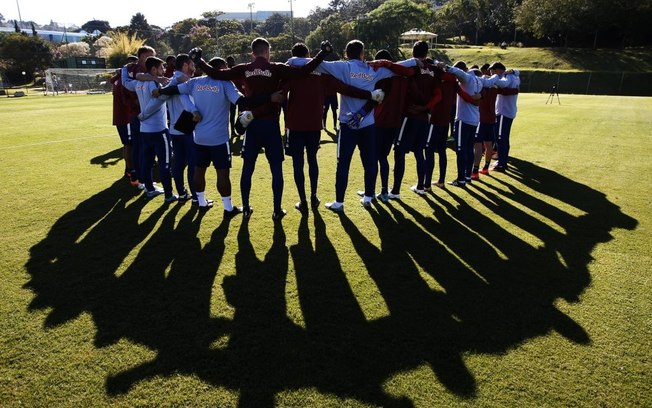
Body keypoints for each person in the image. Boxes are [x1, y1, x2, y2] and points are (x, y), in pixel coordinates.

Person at [189, 37, 332, 220]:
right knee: (276, 169)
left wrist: (198, 60)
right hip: (271, 125)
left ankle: (247, 207)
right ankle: (277, 210)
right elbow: (304, 72)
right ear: (267, 51)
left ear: (253, 53)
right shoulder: (275, 67)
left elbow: (217, 74)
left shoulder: (244, 68)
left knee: (248, 167)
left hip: (252, 126)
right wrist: (322, 53)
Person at [156, 57, 284, 214]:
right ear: (220, 70)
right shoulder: (225, 83)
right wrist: (269, 98)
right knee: (222, 173)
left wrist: (160, 91)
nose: (227, 72)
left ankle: (201, 203)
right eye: (225, 69)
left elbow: (175, 90)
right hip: (218, 138)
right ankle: (228, 208)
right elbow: (242, 102)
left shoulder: (195, 82)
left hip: (199, 137)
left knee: (199, 170)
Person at [316, 39, 417, 211]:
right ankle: (368, 197)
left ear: (347, 54)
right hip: (368, 124)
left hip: (348, 124)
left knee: (343, 163)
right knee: (370, 161)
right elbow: (409, 65)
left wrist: (320, 53)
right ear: (363, 53)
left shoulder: (343, 67)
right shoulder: (374, 69)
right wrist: (387, 62)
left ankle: (339, 202)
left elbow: (312, 64)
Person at [283, 42, 378, 213]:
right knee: (313, 159)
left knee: (298, 162)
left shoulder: (291, 70)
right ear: (309, 54)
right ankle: (313, 195)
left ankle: (303, 201)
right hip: (314, 124)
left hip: (295, 123)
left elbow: (281, 94)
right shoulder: (321, 73)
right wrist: (369, 95)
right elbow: (345, 89)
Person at [436, 60, 508, 187]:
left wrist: (443, 66)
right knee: (469, 149)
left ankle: (461, 179)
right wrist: (498, 74)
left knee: (460, 150)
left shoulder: (467, 77)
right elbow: (491, 81)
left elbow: (457, 72)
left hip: (463, 119)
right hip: (475, 120)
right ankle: (468, 176)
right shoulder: (480, 81)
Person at [131, 56, 175, 201]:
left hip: (145, 130)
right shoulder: (153, 83)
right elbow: (156, 103)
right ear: (154, 69)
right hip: (158, 129)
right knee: (165, 163)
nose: (163, 70)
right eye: (161, 67)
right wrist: (143, 114)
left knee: (147, 161)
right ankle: (169, 195)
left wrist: (125, 71)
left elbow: (127, 82)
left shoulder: (139, 82)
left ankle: (149, 188)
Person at [368, 49, 408, 203]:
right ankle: (383, 190)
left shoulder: (382, 78)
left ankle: (372, 191)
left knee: (375, 157)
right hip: (395, 122)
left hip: (379, 121)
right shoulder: (402, 78)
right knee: (382, 157)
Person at [165, 53, 196, 202]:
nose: (194, 67)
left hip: (174, 128)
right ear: (185, 65)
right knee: (192, 163)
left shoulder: (173, 80)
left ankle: (182, 193)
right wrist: (195, 111)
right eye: (192, 64)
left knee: (178, 162)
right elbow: (186, 102)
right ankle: (196, 196)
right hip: (186, 128)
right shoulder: (179, 82)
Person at [489, 61, 520, 172]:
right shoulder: (514, 75)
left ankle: (502, 164)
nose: (492, 74)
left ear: (498, 70)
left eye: (493, 72)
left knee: (501, 138)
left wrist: (493, 80)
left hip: (503, 112)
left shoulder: (508, 76)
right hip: (507, 111)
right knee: (503, 138)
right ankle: (502, 160)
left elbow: (503, 85)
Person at [110, 63, 138, 186]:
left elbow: (112, 81)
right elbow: (129, 100)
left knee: (127, 144)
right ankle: (132, 171)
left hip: (120, 117)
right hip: (126, 118)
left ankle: (128, 169)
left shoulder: (117, 80)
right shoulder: (125, 83)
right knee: (129, 144)